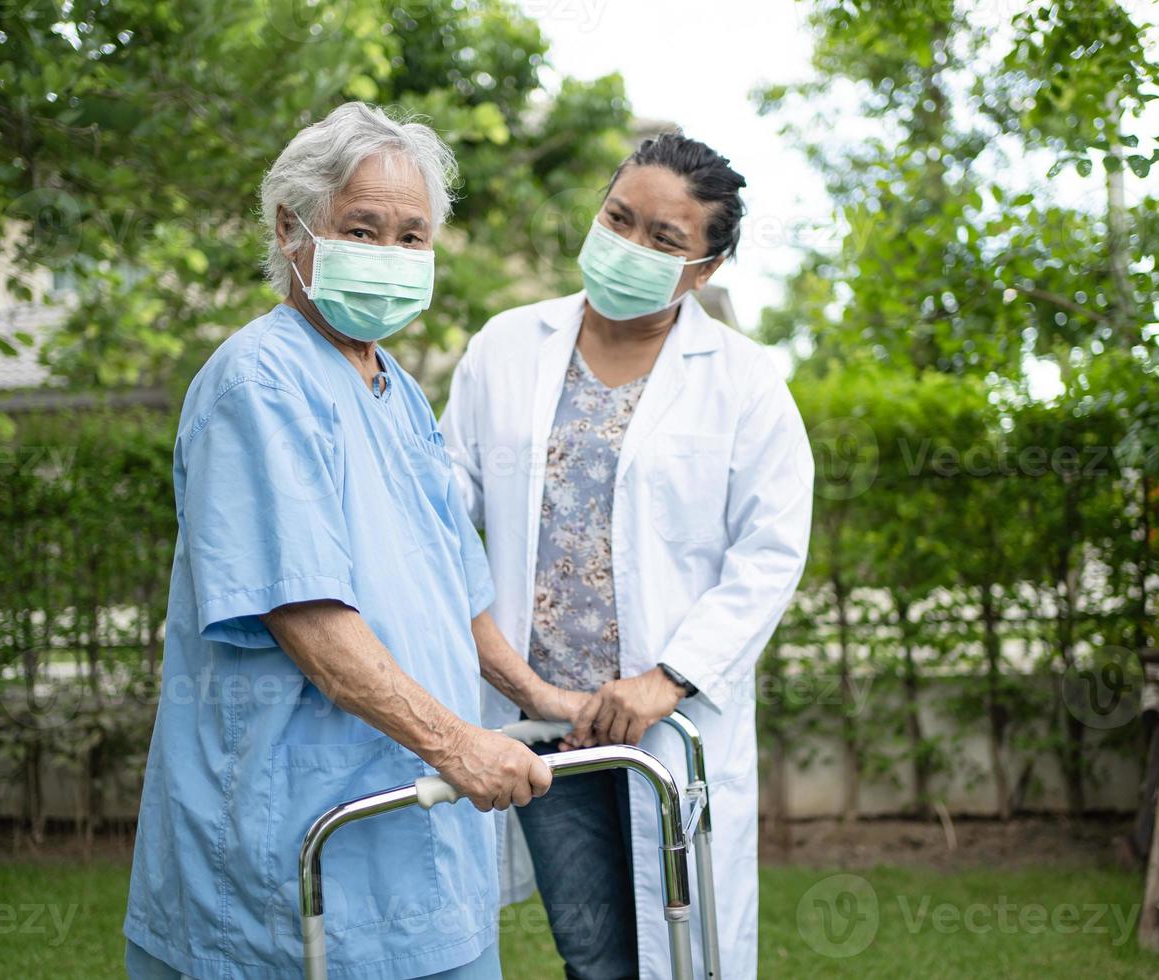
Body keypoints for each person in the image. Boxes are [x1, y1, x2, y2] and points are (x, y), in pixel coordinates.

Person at [122, 102, 582, 980]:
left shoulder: (394, 386)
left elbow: (456, 586)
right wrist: (459, 744)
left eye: (414, 237)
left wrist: (539, 698)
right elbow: (310, 620)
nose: (393, 256)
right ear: (293, 233)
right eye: (363, 229)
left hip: (417, 826)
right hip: (293, 845)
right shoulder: (258, 384)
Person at [440, 132, 813, 980]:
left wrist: (668, 677)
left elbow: (770, 552)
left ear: (705, 269)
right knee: (594, 953)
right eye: (619, 219)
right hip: (542, 725)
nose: (630, 246)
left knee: (684, 950)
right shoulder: (505, 347)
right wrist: (509, 675)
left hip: (668, 726)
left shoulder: (744, 382)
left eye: (664, 240)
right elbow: (442, 517)